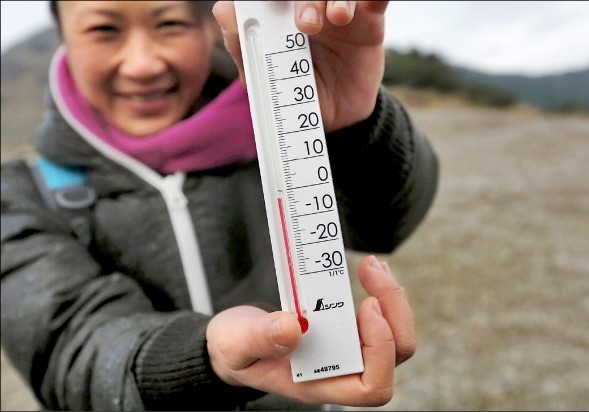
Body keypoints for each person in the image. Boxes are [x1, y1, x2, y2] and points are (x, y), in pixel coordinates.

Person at [0, 1, 439, 410]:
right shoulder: (24, 194)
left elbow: (387, 226)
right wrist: (200, 360)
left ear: (210, 26)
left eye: (169, 23)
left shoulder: (282, 128)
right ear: (62, 37)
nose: (143, 64)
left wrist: (355, 123)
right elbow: (68, 348)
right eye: (103, 29)